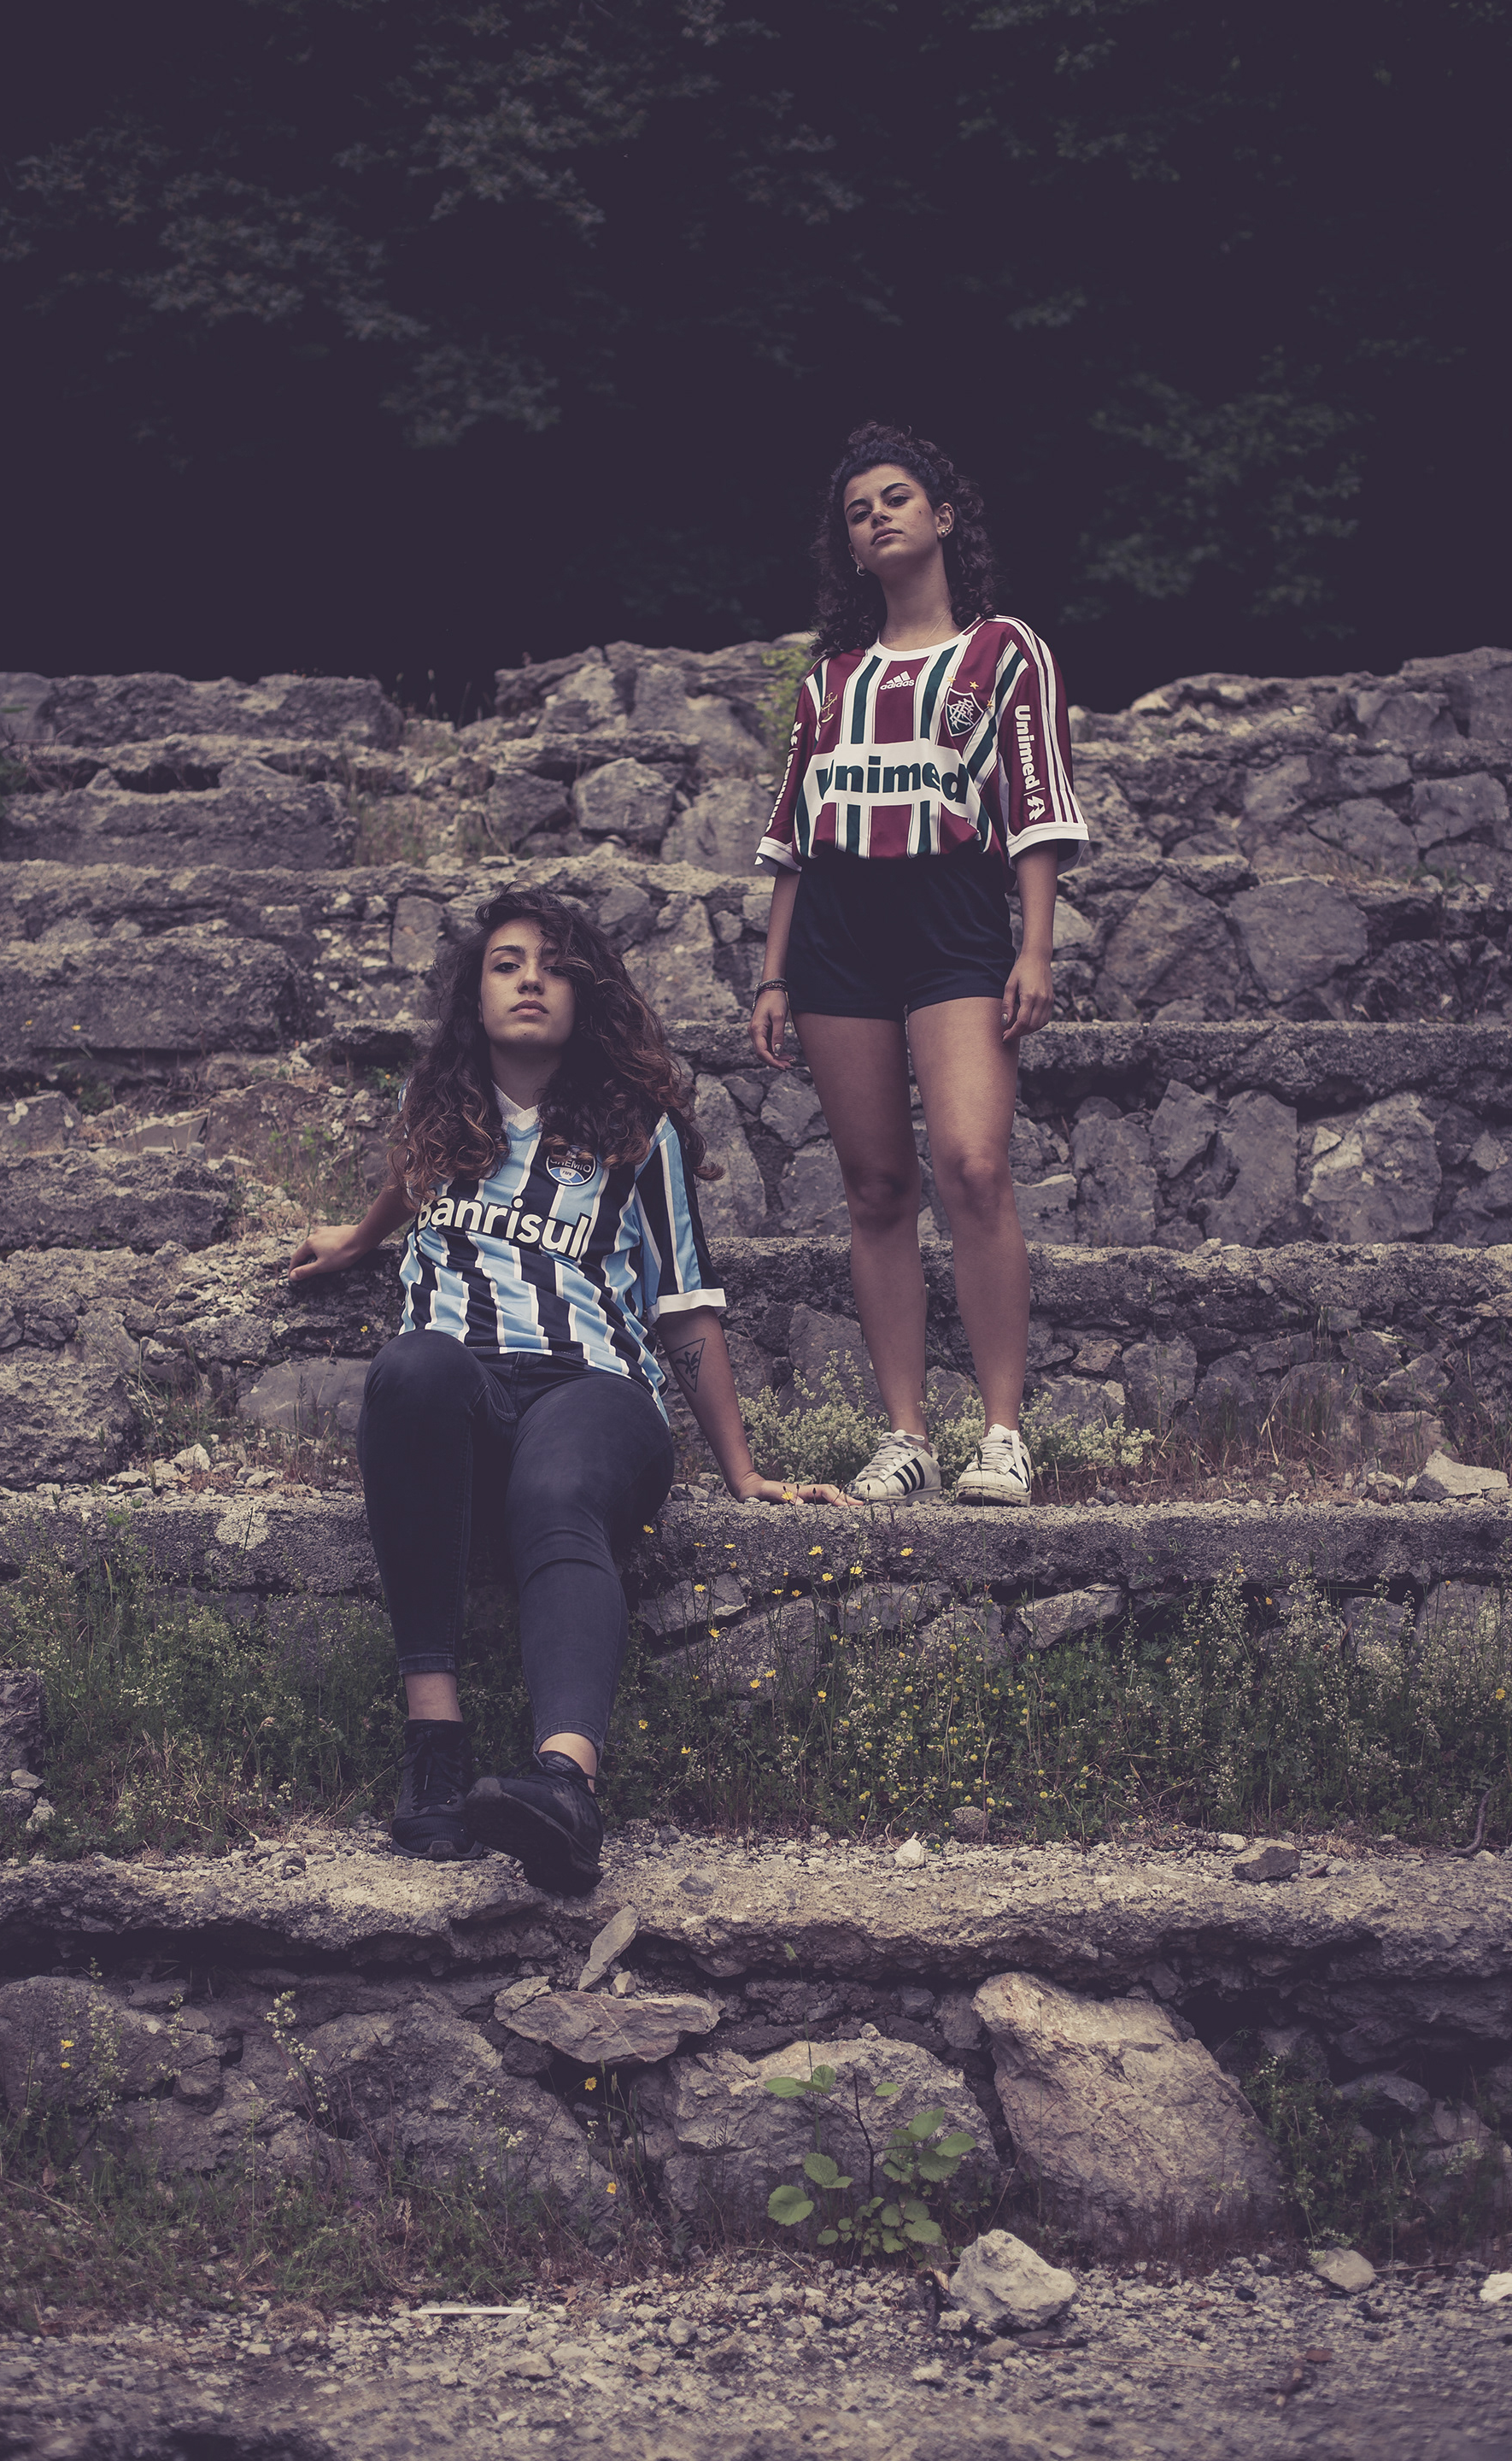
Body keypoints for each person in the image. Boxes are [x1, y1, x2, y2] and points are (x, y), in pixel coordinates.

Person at [290, 886, 845, 1893]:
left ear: (585, 995)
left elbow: (685, 1306)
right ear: (475, 995)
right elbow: (405, 1187)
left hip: (592, 1390)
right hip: (459, 1389)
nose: (530, 982)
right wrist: (357, 1239)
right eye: (506, 965)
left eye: (552, 967)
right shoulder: (437, 1116)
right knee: (410, 1366)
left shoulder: (639, 1132)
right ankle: (435, 1745)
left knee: (554, 1491)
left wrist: (744, 1472)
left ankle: (565, 1789)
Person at [748, 421, 1089, 1507]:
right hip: (838, 933)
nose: (878, 517)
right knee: (876, 1188)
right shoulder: (828, 683)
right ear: (847, 547)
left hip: (955, 923)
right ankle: (906, 1437)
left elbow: (1035, 809)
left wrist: (1035, 946)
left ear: (944, 517)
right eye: (857, 511)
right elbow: (793, 838)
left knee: (974, 1166)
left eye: (896, 498)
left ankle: (1002, 1433)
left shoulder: (1005, 652)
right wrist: (774, 974)